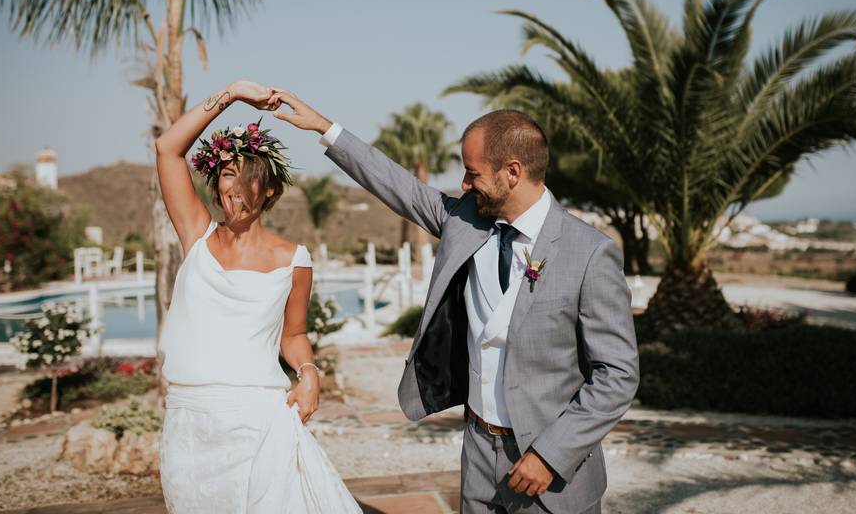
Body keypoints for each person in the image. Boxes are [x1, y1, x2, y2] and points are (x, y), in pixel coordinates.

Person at [269, 88, 639, 514]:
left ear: (512, 172)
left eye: (472, 173)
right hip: (479, 453)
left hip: (554, 474)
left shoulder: (589, 252)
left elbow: (617, 374)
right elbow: (399, 186)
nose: (463, 184)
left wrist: (551, 455)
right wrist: (323, 127)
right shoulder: (466, 220)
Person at [155, 80, 361, 514]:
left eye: (250, 176)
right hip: (188, 423)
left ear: (269, 190)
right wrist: (230, 94)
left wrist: (308, 372)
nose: (237, 186)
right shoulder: (196, 236)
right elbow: (167, 149)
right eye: (228, 172)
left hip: (258, 417)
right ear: (215, 180)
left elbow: (294, 334)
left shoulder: (294, 260)